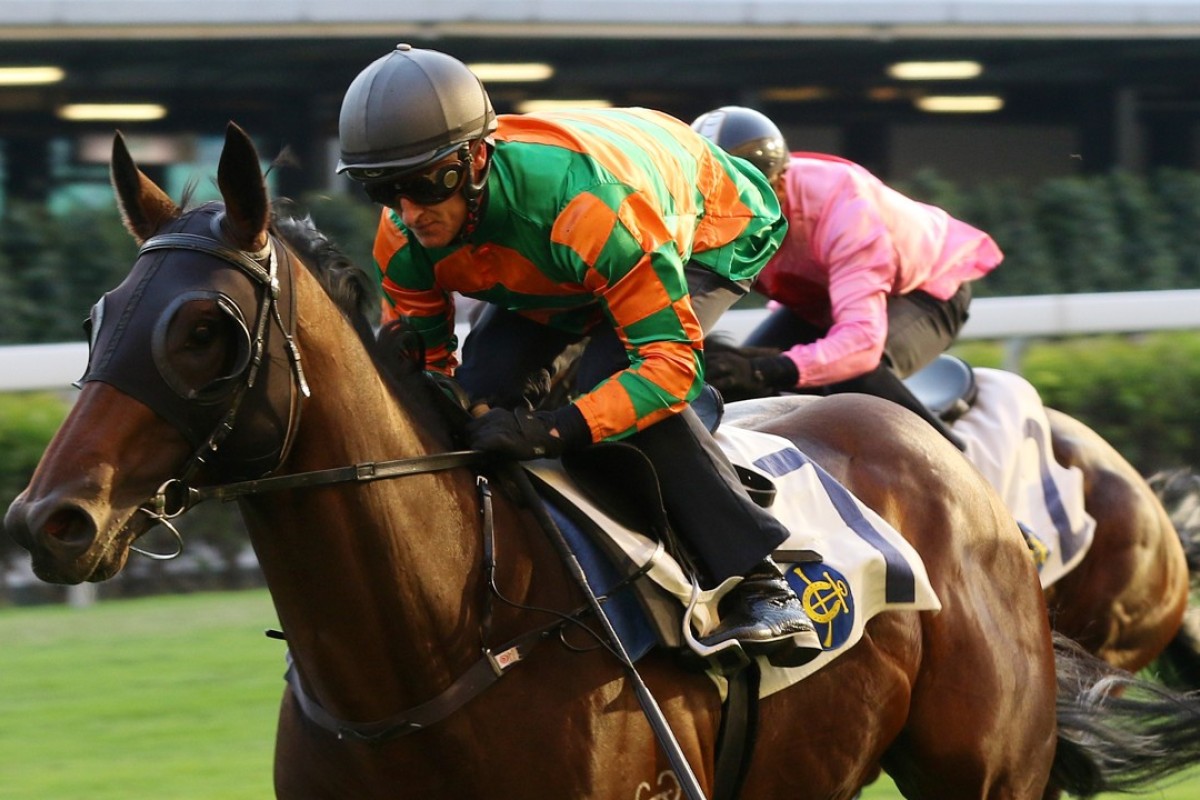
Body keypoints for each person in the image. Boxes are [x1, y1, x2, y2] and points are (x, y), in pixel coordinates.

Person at [336, 45, 821, 667]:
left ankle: (763, 583)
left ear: (476, 159)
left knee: (613, 385)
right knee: (481, 398)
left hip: (705, 226)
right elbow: (430, 372)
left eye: (429, 184)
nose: (411, 211)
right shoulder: (405, 235)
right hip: (559, 259)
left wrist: (553, 429)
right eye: (385, 189)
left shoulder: (583, 205)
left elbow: (665, 370)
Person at [690, 106, 1003, 447]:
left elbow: (861, 346)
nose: (729, 223)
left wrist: (766, 368)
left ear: (780, 182)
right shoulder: (695, 216)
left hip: (922, 290)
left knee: (853, 376)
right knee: (726, 383)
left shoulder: (847, 208)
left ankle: (955, 464)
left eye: (744, 205)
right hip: (822, 301)